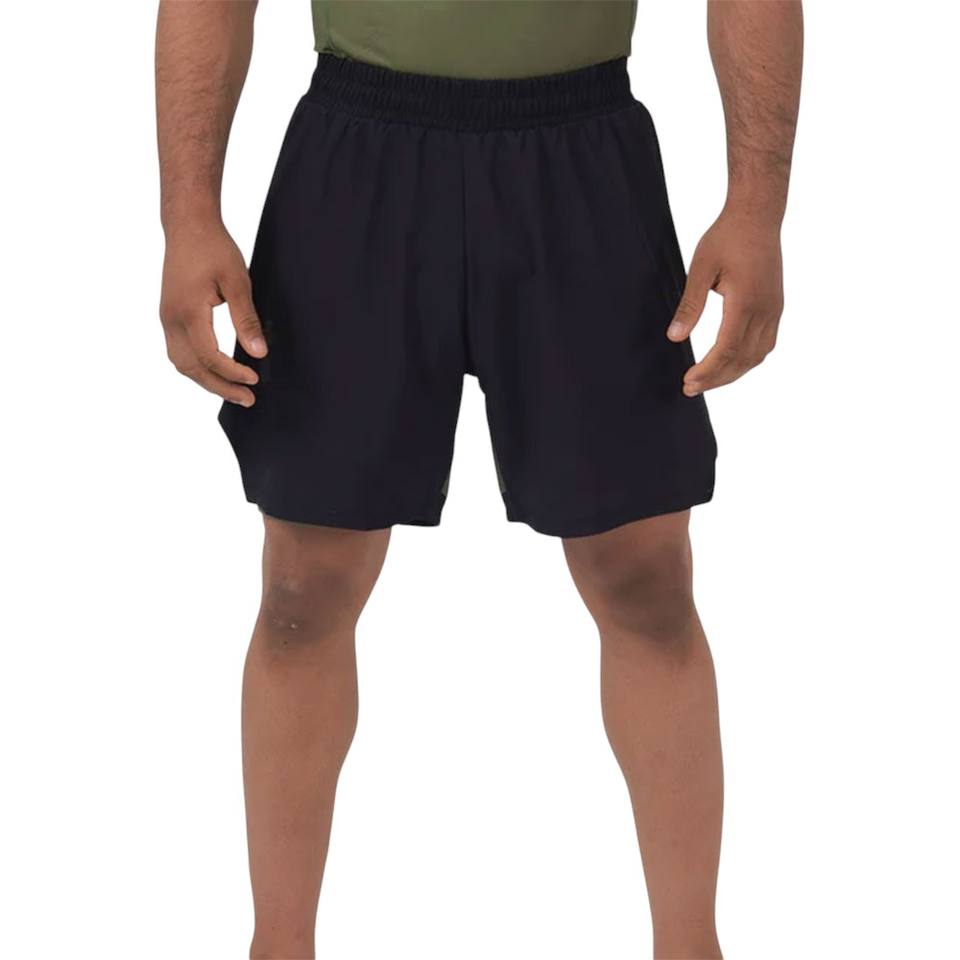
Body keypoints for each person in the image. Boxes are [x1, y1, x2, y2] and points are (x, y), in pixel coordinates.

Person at [155, 1, 802, 957]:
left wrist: (757, 210)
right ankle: (279, 946)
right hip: (358, 155)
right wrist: (187, 216)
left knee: (647, 581)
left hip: (582, 156)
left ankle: (690, 946)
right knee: (303, 588)